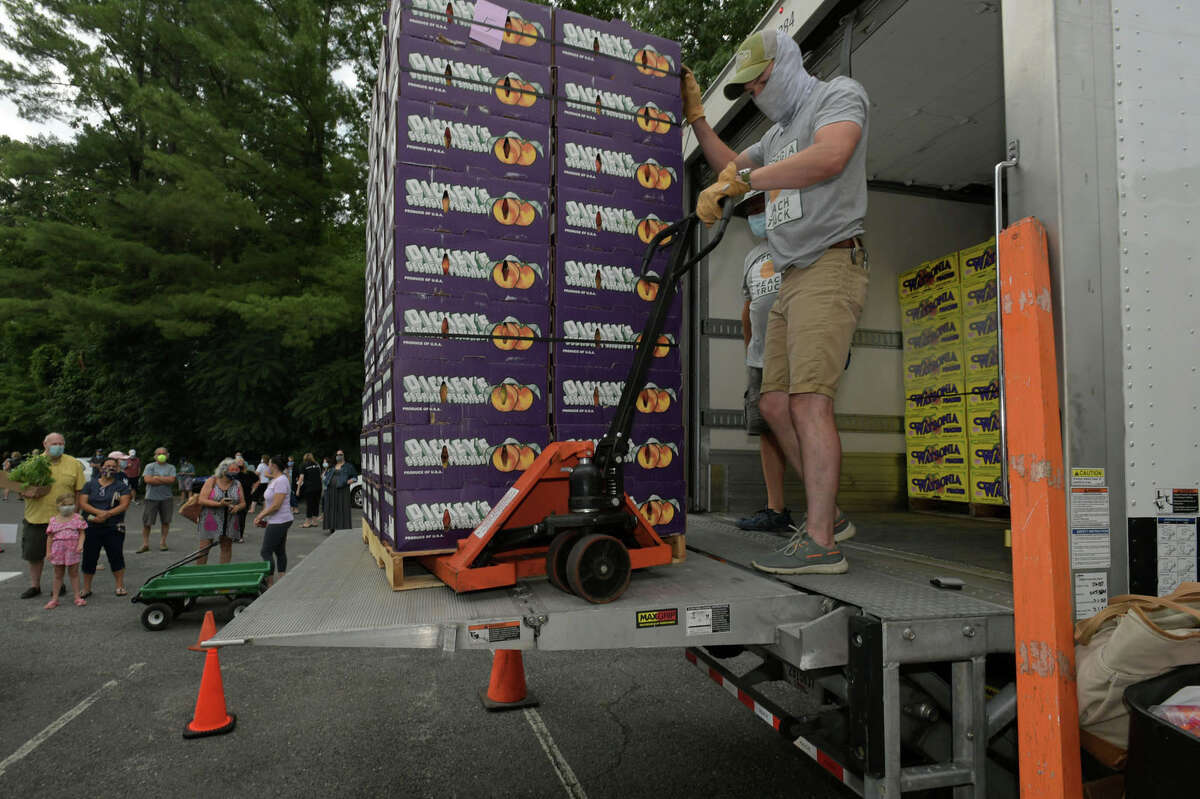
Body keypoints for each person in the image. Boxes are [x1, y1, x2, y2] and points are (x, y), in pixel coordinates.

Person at [683, 28, 867, 574]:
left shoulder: (837, 96)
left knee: (810, 401)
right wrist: (697, 119)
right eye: (751, 89)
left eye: (762, 80)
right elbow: (730, 168)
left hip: (831, 262)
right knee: (772, 403)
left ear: (787, 63)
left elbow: (832, 156)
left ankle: (820, 543)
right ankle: (828, 514)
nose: (760, 93)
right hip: (790, 275)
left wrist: (751, 182)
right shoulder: (778, 132)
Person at [733, 191, 793, 534]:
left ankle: (826, 512)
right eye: (750, 211)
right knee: (767, 433)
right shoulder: (752, 256)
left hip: (793, 354)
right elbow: (749, 307)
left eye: (760, 207)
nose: (756, 215)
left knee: (802, 426)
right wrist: (749, 350)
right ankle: (776, 509)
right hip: (760, 359)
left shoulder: (797, 241)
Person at [17, 433, 87, 598]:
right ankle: (35, 586)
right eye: (54, 443)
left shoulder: (73, 463)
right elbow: (20, 488)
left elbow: (79, 491)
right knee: (34, 554)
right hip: (36, 517)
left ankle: (60, 584)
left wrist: (76, 514)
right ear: (45, 444)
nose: (58, 446)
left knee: (61, 554)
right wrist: (27, 492)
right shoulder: (32, 463)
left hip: (64, 520)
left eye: (61, 443)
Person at [78, 454, 132, 598]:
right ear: (101, 467)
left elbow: (125, 504)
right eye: (107, 466)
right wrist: (99, 513)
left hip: (114, 526)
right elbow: (83, 503)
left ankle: (120, 586)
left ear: (118, 469)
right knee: (89, 557)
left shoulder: (121, 486)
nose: (110, 469)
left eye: (113, 467)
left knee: (116, 555)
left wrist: (106, 515)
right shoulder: (90, 484)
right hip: (91, 526)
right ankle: (87, 588)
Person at [194, 458, 246, 565]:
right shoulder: (212, 481)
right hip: (210, 518)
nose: (236, 471)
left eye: (237, 469)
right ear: (224, 470)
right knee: (204, 548)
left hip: (230, 519)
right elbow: (202, 500)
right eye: (233, 469)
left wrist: (237, 507)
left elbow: (243, 503)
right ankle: (199, 573)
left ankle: (223, 573)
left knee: (226, 547)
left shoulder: (237, 484)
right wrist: (219, 504)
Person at [254, 455, 294, 586]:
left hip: (280, 520)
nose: (267, 467)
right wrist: (265, 518)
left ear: (274, 466)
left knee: (265, 551)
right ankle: (282, 579)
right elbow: (269, 502)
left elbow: (276, 505)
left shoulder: (281, 481)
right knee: (279, 550)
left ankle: (270, 583)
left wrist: (260, 516)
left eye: (269, 464)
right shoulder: (275, 480)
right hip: (276, 520)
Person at [43, 493, 88, 608]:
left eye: (71, 504)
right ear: (58, 505)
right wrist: (48, 551)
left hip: (73, 549)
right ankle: (54, 599)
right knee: (58, 574)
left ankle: (77, 597)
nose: (68, 507)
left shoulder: (78, 518)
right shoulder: (53, 520)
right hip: (57, 550)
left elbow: (82, 533)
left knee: (74, 573)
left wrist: (80, 544)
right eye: (64, 505)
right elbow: (50, 537)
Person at [138, 446, 176, 553]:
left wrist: (157, 478)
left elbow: (172, 480)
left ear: (167, 455)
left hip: (167, 498)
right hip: (151, 498)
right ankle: (145, 544)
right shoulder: (149, 466)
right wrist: (164, 480)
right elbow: (148, 480)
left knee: (166, 521)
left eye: (164, 453)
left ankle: (163, 542)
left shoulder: (171, 467)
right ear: (155, 456)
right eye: (159, 454)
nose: (161, 455)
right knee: (147, 522)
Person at [322, 449, 356, 534]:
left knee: (342, 507)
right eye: (337, 455)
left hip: (342, 490)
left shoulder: (348, 466)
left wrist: (348, 482)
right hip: (330, 490)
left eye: (340, 454)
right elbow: (325, 477)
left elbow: (355, 477)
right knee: (331, 508)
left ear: (344, 455)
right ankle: (332, 526)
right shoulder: (332, 466)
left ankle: (343, 527)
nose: (339, 456)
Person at [232, 454, 257, 543]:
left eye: (241, 461)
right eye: (238, 462)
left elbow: (257, 480)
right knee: (233, 516)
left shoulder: (249, 473)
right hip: (234, 497)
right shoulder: (233, 473)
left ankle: (240, 536)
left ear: (244, 463)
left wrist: (253, 490)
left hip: (246, 497)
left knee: (241, 517)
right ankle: (233, 535)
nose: (240, 463)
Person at [296, 453, 323, 527]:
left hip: (309, 487)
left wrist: (298, 489)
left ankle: (307, 523)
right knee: (316, 504)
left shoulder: (303, 465)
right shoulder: (317, 464)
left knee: (309, 504)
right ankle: (314, 522)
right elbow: (320, 476)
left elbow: (301, 478)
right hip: (318, 487)